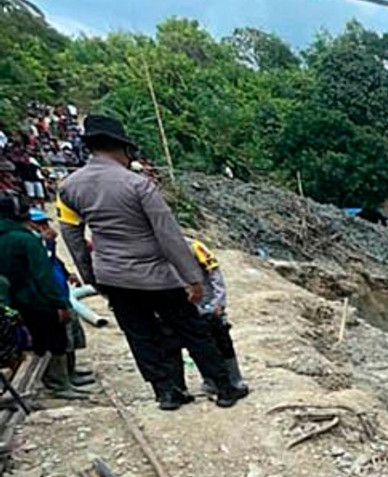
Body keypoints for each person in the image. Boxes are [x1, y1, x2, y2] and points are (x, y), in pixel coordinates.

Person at [57, 115, 247, 410]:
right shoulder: (138, 185)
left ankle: (167, 393)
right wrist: (193, 279)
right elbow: (169, 234)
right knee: (192, 330)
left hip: (114, 278)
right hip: (157, 276)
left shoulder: (68, 188)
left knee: (140, 336)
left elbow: (73, 238)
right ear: (122, 148)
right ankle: (224, 388)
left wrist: (93, 278)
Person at [0, 194, 82, 399]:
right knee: (56, 339)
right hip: (38, 299)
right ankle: (59, 384)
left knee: (38, 340)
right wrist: (58, 303)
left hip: (14, 300)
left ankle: (61, 379)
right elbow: (42, 274)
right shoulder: (25, 239)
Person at [26, 207, 93, 387]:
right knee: (59, 340)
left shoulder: (44, 242)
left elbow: (54, 261)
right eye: (40, 224)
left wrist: (67, 273)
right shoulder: (31, 244)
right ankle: (58, 381)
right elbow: (41, 270)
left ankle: (70, 372)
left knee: (71, 335)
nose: (45, 227)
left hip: (61, 293)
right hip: (49, 299)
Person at [188, 238, 248, 395]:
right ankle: (210, 381)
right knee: (198, 345)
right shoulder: (159, 249)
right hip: (187, 308)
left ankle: (235, 380)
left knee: (222, 340)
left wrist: (218, 302)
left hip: (209, 304)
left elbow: (215, 273)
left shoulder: (195, 247)